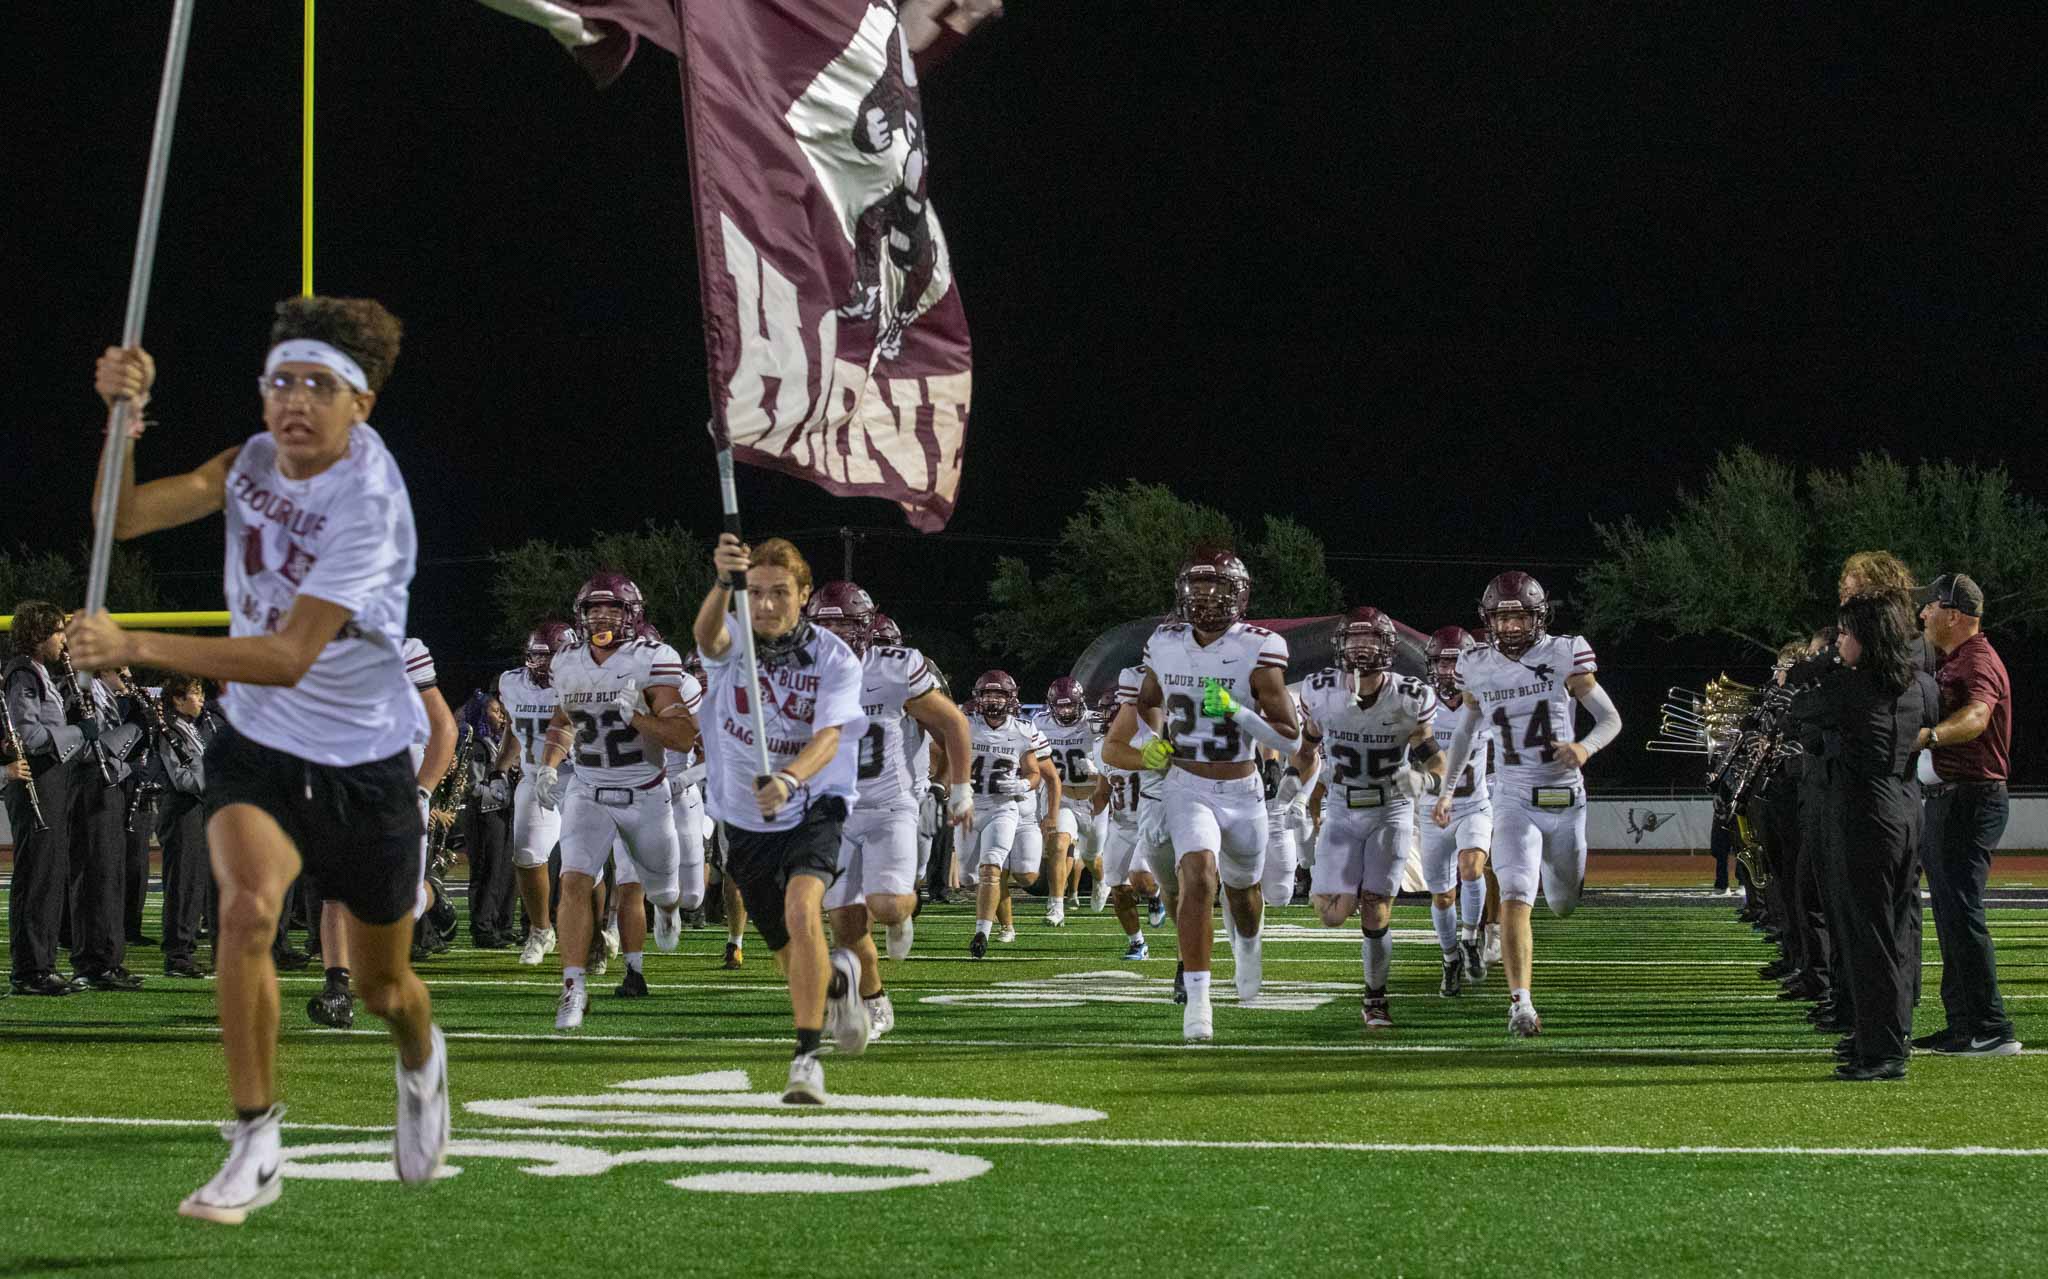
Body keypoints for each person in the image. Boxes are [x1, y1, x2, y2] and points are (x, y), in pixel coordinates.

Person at [76, 297, 451, 1222]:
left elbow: (288, 655)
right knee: (245, 911)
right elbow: (118, 519)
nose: (295, 400)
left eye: (319, 384)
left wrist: (139, 644)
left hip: (364, 764)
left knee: (383, 986)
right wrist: (123, 421)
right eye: (281, 380)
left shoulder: (370, 503)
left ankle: (420, 1059)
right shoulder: (248, 461)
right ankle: (255, 1136)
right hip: (260, 746)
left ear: (360, 404)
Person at [694, 534, 870, 1103]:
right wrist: (724, 582)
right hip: (743, 814)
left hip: (813, 800)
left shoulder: (835, 657)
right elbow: (706, 635)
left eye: (779, 593)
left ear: (804, 594)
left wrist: (792, 777)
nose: (766, 605)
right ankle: (837, 979)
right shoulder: (734, 643)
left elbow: (829, 736)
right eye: (756, 593)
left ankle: (806, 1060)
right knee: (787, 952)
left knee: (802, 908)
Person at [1103, 547, 1300, 1042]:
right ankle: (1199, 1000)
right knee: (1197, 875)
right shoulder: (1164, 643)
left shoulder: (1259, 647)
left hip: (1240, 786)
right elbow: (1145, 702)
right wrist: (1149, 745)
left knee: (1244, 896)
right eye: (1198, 589)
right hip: (1185, 783)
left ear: (1240, 596)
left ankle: (1250, 948)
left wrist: (1235, 708)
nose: (1207, 599)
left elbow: (1288, 738)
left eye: (1218, 589)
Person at [1433, 572, 1621, 1037]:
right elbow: (1465, 730)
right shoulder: (1475, 664)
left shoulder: (1564, 653)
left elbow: (1610, 718)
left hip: (1564, 797)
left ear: (1538, 617)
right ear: (1488, 620)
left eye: (1519, 615)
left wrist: (1585, 748)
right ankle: (1521, 1005)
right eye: (1502, 616)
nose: (1512, 625)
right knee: (1516, 895)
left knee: (1561, 903)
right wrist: (1446, 788)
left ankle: (1561, 885)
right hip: (1513, 794)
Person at [532, 572, 699, 1030]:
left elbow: (685, 736)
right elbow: (562, 721)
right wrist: (550, 763)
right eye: (592, 610)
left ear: (633, 615)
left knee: (665, 891)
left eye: (612, 610)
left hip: (644, 792)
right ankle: (572, 987)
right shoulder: (565, 661)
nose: (601, 617)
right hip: (588, 788)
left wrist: (640, 719)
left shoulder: (654, 659)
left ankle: (665, 911)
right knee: (573, 880)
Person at [806, 581, 973, 1032]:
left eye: (845, 624)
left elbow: (954, 723)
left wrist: (960, 788)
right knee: (843, 919)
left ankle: (905, 914)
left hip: (890, 805)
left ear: (866, 627)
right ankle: (875, 999)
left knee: (887, 907)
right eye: (827, 625)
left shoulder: (896, 668)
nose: (836, 633)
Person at [1787, 592, 1938, 1080]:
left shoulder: (1849, 689)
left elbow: (1798, 706)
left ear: (1867, 638)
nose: (1841, 642)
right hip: (1905, 808)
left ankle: (1884, 1051)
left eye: (1847, 634)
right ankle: (1886, 1037)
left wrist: (1820, 663)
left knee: (1866, 936)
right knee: (1893, 932)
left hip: (1865, 815)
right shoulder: (1920, 684)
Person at [1301, 607, 1443, 1029]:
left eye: (1370, 641)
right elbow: (1307, 747)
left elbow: (1436, 760)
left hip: (1390, 808)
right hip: (1343, 807)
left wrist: (1427, 783)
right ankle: (1344, 881)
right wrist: (1294, 788)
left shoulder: (1409, 696)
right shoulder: (1321, 691)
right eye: (1353, 641)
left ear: (1387, 648)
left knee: (1376, 906)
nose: (1361, 650)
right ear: (1339, 647)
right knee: (1331, 913)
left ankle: (1375, 997)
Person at [1911, 573, 2021, 1057]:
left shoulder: (1977, 659)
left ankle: (1993, 1025)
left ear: (1953, 614)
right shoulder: (1957, 658)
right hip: (1952, 799)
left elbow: (1977, 718)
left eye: (1930, 607)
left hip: (1971, 799)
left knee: (1963, 912)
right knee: (1952, 914)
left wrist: (1928, 736)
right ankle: (1964, 1024)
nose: (1922, 615)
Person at [4, 601, 92, 996]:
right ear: (38, 634)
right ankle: (30, 970)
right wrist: (78, 732)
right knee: (37, 876)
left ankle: (42, 964)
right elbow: (31, 738)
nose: (63, 639)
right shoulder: (24, 673)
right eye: (57, 631)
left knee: (50, 874)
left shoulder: (40, 673)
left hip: (51, 781)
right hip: (35, 784)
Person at [963, 670, 1059, 952]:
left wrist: (1024, 786)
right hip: (971, 806)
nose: (993, 700)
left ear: (1011, 698)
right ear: (977, 697)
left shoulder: (1023, 730)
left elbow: (1041, 775)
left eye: (999, 694)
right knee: (971, 878)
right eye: (987, 694)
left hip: (1010, 808)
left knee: (1017, 874)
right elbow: (939, 755)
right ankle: (1003, 924)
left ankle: (984, 932)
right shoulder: (964, 724)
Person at [1422, 625, 1494, 993]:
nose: (1448, 671)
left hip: (1473, 805)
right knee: (1443, 895)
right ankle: (1449, 957)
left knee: (1471, 866)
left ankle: (1469, 939)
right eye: (1442, 662)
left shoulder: (1485, 698)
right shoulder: (1419, 702)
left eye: (1455, 662)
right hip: (1431, 810)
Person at [154, 675, 217, 977]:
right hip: (181, 811)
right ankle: (177, 953)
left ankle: (186, 946)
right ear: (177, 700)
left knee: (194, 882)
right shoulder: (170, 731)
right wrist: (215, 780)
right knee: (182, 882)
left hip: (196, 810)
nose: (201, 699)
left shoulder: (191, 729)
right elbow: (181, 779)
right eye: (194, 693)